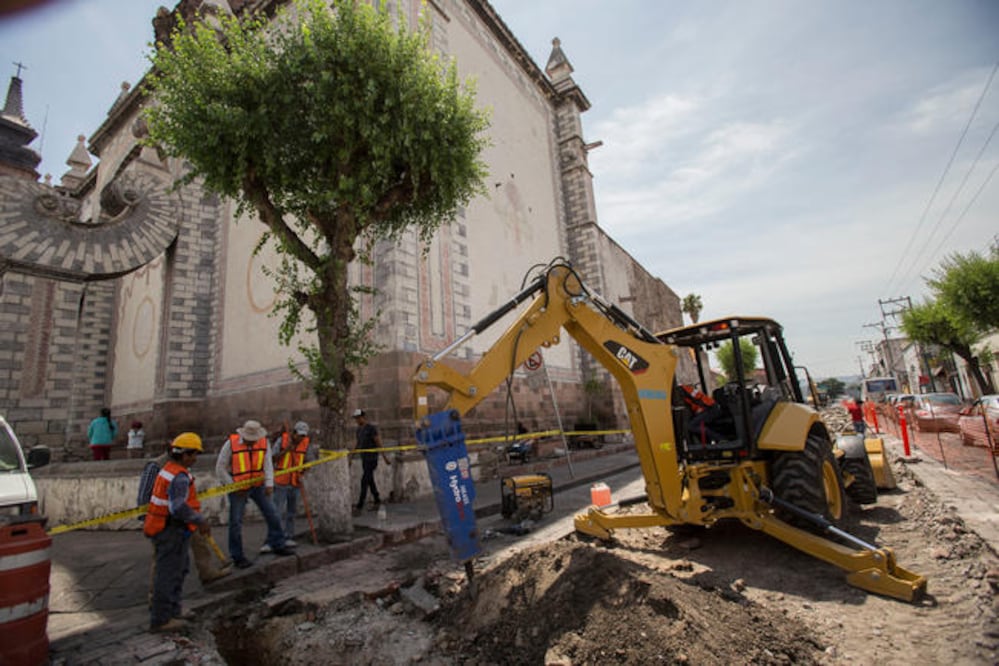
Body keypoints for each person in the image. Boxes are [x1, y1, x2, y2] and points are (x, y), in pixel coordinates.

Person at [143, 432, 209, 633]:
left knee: (179, 570)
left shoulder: (169, 470)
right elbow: (177, 507)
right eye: (194, 454)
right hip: (169, 530)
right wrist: (200, 520)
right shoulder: (178, 476)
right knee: (168, 574)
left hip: (167, 528)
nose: (195, 459)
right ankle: (161, 619)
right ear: (185, 455)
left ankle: (174, 609)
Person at [138, 449, 231, 586]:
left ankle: (207, 572)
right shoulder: (156, 466)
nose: (195, 459)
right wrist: (145, 516)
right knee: (163, 559)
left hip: (186, 515)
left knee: (199, 543)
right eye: (192, 455)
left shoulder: (180, 468)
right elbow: (145, 493)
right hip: (166, 520)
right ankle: (157, 592)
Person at [215, 419, 293, 568]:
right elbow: (220, 468)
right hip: (238, 488)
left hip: (258, 485)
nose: (251, 443)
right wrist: (234, 486)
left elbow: (268, 464)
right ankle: (237, 556)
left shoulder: (263, 443)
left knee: (273, 514)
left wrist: (269, 483)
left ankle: (278, 543)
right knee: (236, 522)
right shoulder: (230, 444)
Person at [271, 420, 315, 546]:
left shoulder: (306, 444)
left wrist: (303, 472)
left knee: (291, 512)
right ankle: (276, 537)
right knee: (277, 511)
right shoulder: (282, 441)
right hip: (281, 482)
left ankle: (289, 535)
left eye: (303, 436)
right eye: (299, 435)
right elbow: (272, 458)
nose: (301, 438)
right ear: (294, 433)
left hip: (295, 482)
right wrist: (286, 451)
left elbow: (310, 461)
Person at [352, 409, 391, 513]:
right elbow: (357, 444)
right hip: (364, 458)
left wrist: (385, 457)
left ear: (363, 417)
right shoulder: (359, 430)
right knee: (370, 480)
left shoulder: (371, 429)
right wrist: (351, 457)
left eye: (358, 418)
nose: (357, 420)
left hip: (372, 459)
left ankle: (360, 506)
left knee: (364, 481)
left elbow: (378, 443)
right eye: (356, 419)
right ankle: (377, 500)